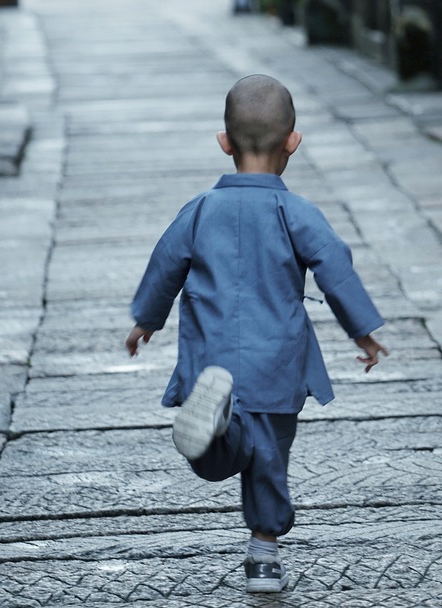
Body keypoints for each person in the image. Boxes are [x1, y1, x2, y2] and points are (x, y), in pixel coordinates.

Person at [125, 73, 388, 594]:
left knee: (219, 454)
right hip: (276, 362)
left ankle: (218, 429)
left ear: (224, 143)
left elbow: (165, 265)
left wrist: (145, 321)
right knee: (268, 457)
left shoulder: (199, 211)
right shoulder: (296, 212)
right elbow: (335, 267)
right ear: (294, 141)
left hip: (211, 356)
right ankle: (263, 556)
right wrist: (363, 332)